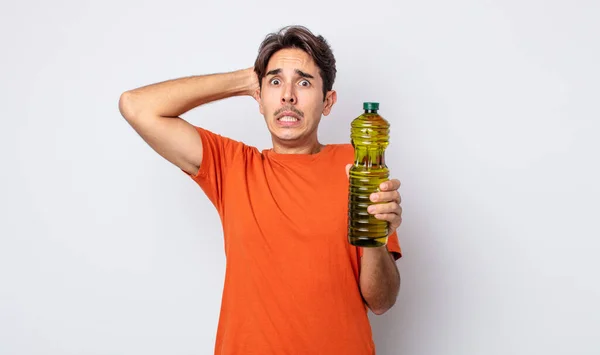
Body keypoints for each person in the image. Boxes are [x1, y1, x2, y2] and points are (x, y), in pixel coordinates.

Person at [118, 25, 403, 355]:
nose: (288, 96)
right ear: (260, 98)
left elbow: (381, 301)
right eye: (276, 81)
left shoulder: (357, 165)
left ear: (328, 102)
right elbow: (136, 106)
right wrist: (244, 80)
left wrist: (375, 237)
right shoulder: (233, 165)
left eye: (305, 82)